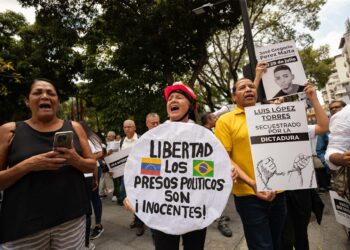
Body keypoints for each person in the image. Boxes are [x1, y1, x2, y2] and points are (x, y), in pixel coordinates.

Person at [0, 78, 96, 248]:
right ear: (27, 101)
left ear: (57, 102)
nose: (45, 96)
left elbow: (92, 165)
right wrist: (28, 165)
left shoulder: (74, 127)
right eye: (37, 92)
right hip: (24, 226)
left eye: (51, 93)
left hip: (71, 220)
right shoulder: (9, 130)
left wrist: (75, 160)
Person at [256, 63, 329, 250]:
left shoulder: (299, 127)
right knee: (282, 236)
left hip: (300, 188)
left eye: (280, 102)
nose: (277, 104)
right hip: (275, 188)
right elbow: (248, 106)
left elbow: (323, 127)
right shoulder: (259, 131)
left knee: (301, 233)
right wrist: (257, 77)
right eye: (272, 103)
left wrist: (314, 99)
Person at [215, 77, 288, 250]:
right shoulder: (225, 121)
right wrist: (253, 183)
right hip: (248, 195)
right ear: (234, 97)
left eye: (251, 86)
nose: (248, 89)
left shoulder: (270, 113)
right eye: (242, 87)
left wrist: (284, 112)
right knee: (262, 246)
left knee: (278, 242)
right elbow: (224, 157)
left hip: (279, 192)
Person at [201, 112, 232, 238]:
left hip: (206, 168)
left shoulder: (207, 131)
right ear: (209, 120)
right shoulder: (205, 132)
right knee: (213, 193)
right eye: (214, 117)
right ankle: (219, 221)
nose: (217, 119)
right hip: (206, 168)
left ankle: (215, 215)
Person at [79, 121, 105, 241]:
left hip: (93, 170)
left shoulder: (92, 138)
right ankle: (87, 225)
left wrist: (85, 159)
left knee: (94, 197)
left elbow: (100, 153)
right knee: (86, 198)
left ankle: (98, 225)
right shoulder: (78, 138)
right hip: (83, 172)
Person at [316, 101, 346, 192]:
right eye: (331, 108)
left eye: (337, 107)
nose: (334, 109)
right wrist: (329, 164)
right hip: (339, 173)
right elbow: (320, 150)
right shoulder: (326, 128)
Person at [120, 119, 143, 235]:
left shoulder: (141, 139)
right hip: (126, 174)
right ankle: (137, 217)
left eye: (129, 126)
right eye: (125, 127)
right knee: (123, 193)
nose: (127, 129)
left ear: (134, 128)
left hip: (139, 174)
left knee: (138, 197)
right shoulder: (121, 142)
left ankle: (139, 223)